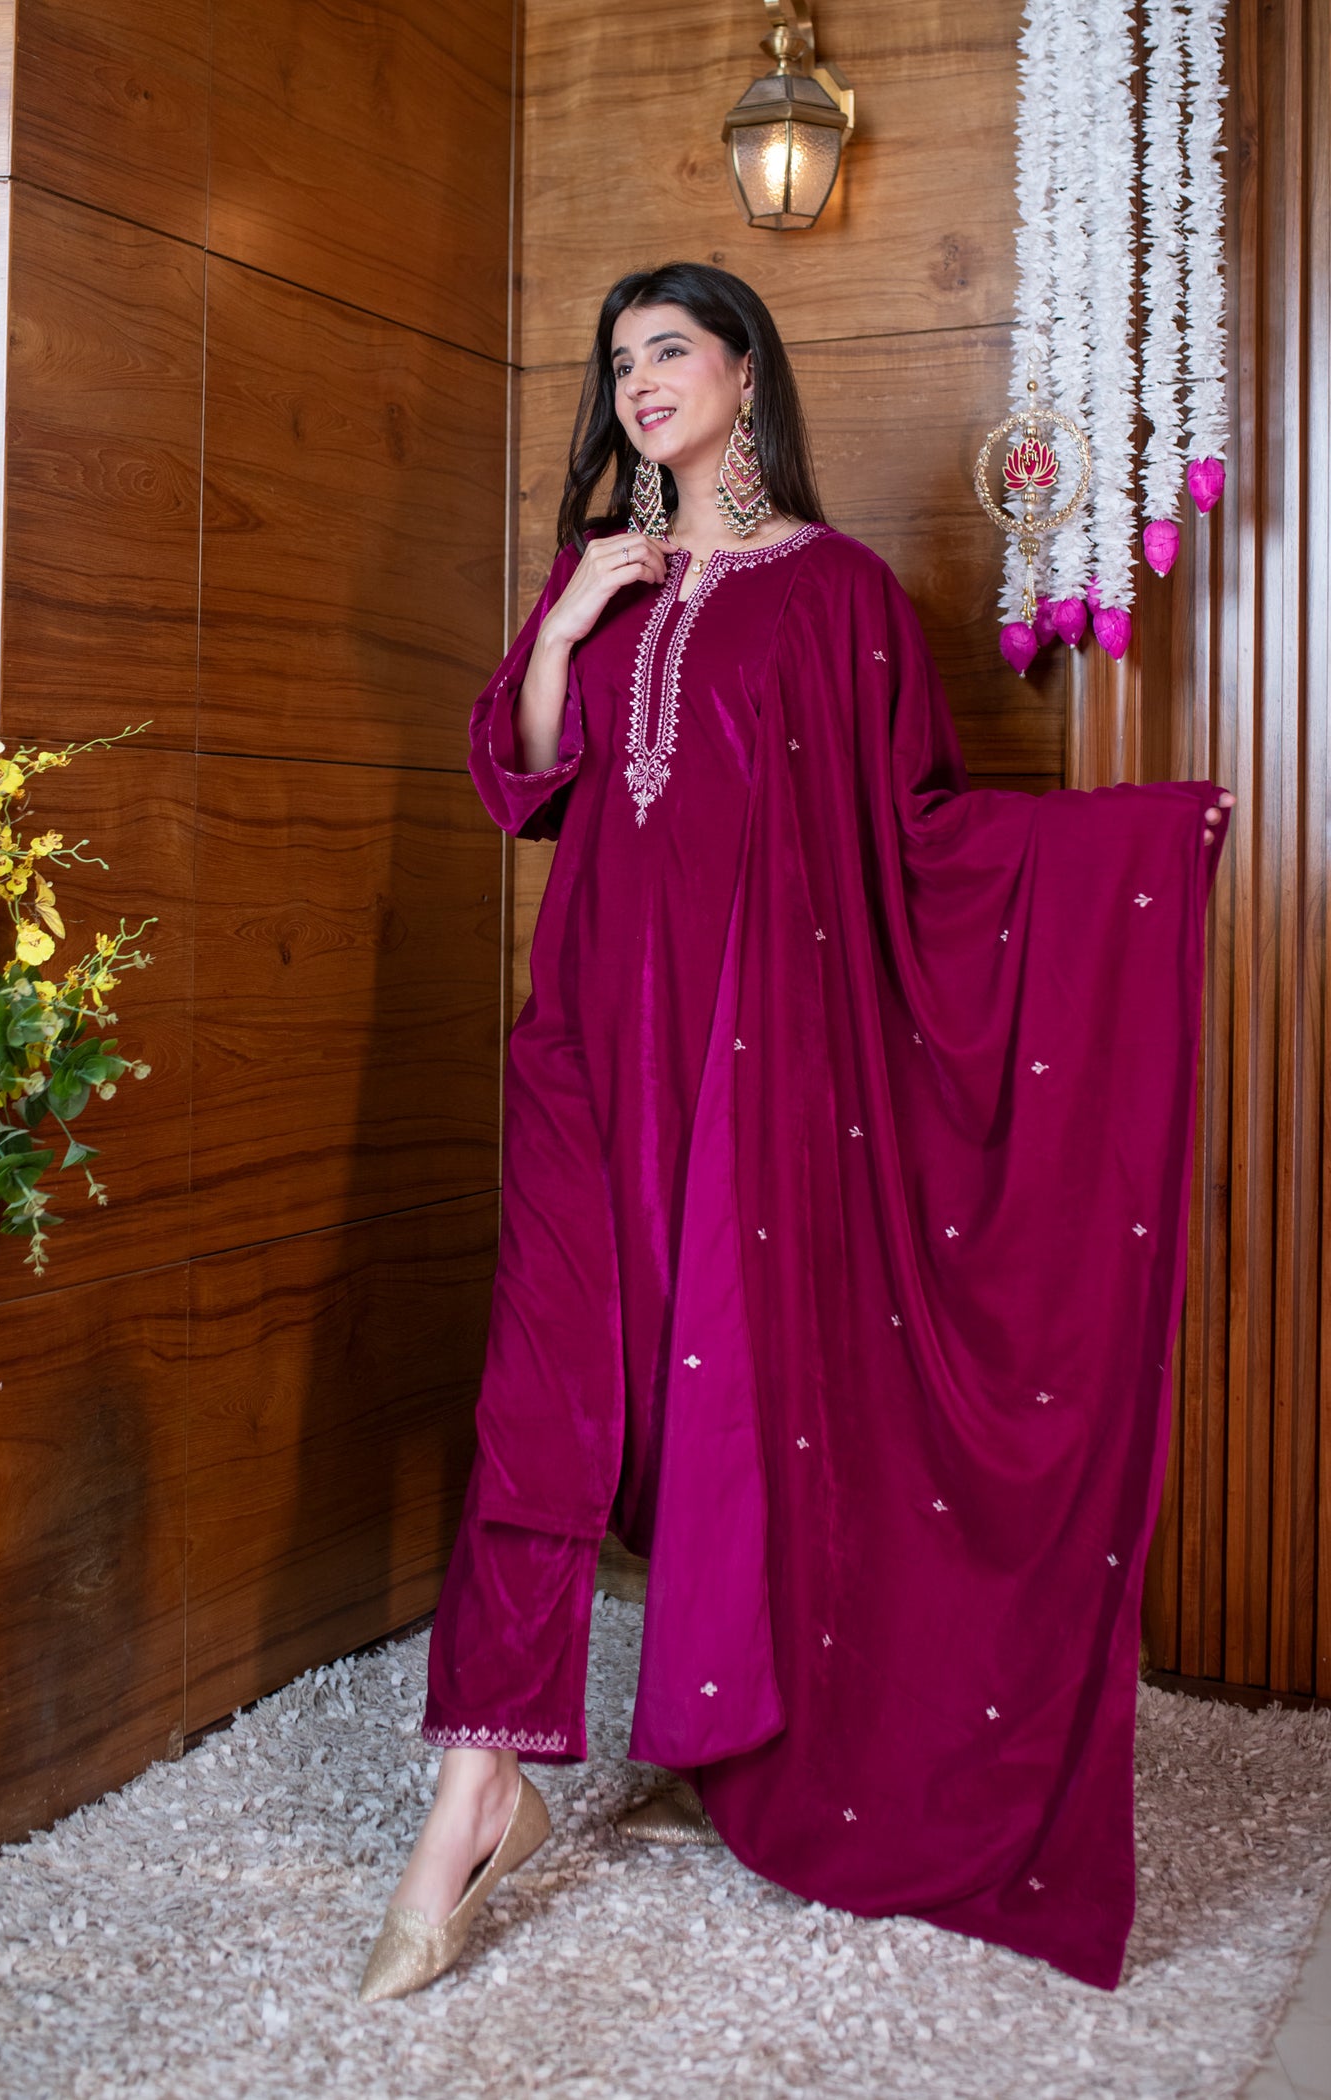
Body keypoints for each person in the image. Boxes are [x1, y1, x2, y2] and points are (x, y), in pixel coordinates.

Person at [359, 262, 1232, 2002]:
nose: (639, 383)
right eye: (620, 362)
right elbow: (524, 785)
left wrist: (1129, 851)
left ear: (747, 373)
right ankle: (476, 1796)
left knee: (736, 1398)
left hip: (755, 1078)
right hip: (586, 1051)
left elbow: (918, 839)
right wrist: (565, 624)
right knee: (541, 1397)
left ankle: (726, 1743)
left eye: (670, 351)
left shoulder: (842, 598)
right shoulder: (602, 580)